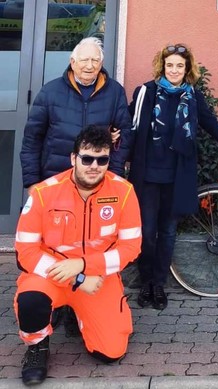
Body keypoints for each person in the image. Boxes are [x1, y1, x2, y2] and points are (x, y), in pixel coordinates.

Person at [127, 43, 218, 310]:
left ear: (187, 69)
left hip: (176, 177)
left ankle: (159, 284)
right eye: (170, 65)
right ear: (162, 67)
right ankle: (146, 283)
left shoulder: (192, 97)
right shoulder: (146, 93)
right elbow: (127, 124)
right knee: (146, 231)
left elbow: (213, 126)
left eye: (179, 65)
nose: (174, 70)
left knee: (167, 232)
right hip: (147, 177)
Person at [13, 125, 142, 386]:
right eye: (87, 158)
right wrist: (78, 278)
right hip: (53, 276)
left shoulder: (125, 192)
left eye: (102, 159)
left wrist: (84, 265)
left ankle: (79, 313)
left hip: (98, 280)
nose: (94, 166)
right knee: (30, 301)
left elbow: (131, 247)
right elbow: (25, 251)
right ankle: (37, 346)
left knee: (111, 352)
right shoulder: (42, 192)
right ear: (74, 158)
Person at [20, 37, 132, 189]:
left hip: (98, 178)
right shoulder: (50, 92)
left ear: (101, 64)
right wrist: (32, 182)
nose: (90, 66)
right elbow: (32, 140)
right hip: (55, 178)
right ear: (73, 62)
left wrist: (114, 174)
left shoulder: (115, 92)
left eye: (95, 60)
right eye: (84, 60)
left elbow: (124, 138)